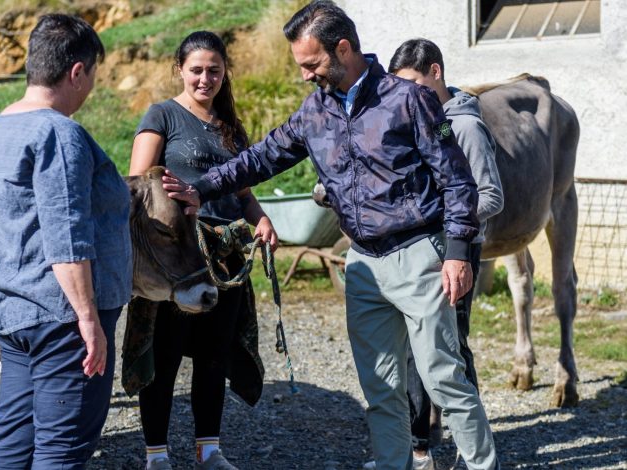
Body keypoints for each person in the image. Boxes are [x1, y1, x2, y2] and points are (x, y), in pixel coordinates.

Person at [165, 2, 500, 469]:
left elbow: (457, 180)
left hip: (419, 256)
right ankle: (392, 464)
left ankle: (484, 465)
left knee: (445, 379)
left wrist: (459, 253)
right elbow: (260, 158)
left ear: (343, 48)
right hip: (361, 264)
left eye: (312, 63)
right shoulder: (314, 111)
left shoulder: (410, 100)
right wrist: (199, 189)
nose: (305, 75)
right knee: (380, 387)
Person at [0, 14, 131, 469]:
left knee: (12, 441)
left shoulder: (0, 128)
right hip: (62, 320)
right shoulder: (58, 134)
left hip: (14, 310)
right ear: (76, 71)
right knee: (63, 449)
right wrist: (88, 320)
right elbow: (67, 236)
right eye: (93, 76)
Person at [124, 31, 277, 470]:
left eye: (214, 70)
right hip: (178, 258)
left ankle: (208, 450)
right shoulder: (163, 116)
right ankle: (156, 454)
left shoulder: (231, 129)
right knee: (166, 355)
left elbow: (244, 195)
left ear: (225, 71)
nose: (205, 79)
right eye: (196, 70)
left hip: (226, 260)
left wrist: (261, 219)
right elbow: (139, 187)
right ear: (180, 70)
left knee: (215, 355)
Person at [375, 38, 505, 469]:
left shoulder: (464, 126)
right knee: (414, 353)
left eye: (412, 83)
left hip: (456, 253)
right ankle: (419, 449)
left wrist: (437, 219)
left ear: (436, 71)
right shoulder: (417, 119)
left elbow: (490, 197)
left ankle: (473, 454)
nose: (405, 95)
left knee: (451, 354)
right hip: (419, 252)